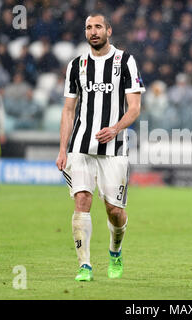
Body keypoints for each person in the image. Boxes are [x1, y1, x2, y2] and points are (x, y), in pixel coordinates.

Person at [56, 13, 145, 282]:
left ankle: (115, 251)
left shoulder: (126, 61)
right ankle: (84, 265)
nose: (93, 32)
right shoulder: (76, 65)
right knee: (82, 200)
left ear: (108, 30)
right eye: (88, 28)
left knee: (114, 211)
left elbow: (135, 108)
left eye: (97, 27)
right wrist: (62, 149)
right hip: (80, 146)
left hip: (114, 148)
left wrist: (116, 129)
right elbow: (68, 111)